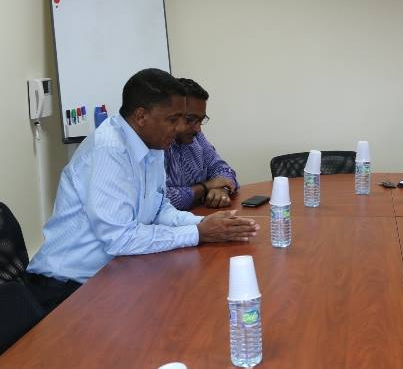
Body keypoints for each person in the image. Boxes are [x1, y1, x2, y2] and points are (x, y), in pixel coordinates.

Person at [25, 69, 260, 313]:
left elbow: (160, 210)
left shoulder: (153, 145)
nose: (180, 127)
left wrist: (207, 223)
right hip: (66, 288)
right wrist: (198, 233)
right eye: (173, 119)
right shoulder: (109, 150)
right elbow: (120, 238)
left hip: (115, 276)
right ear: (141, 116)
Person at [165, 78, 238, 210]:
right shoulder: (157, 145)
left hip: (198, 219)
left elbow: (222, 168)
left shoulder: (196, 138)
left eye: (201, 120)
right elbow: (164, 201)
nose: (198, 129)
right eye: (190, 119)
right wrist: (206, 187)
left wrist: (222, 188)